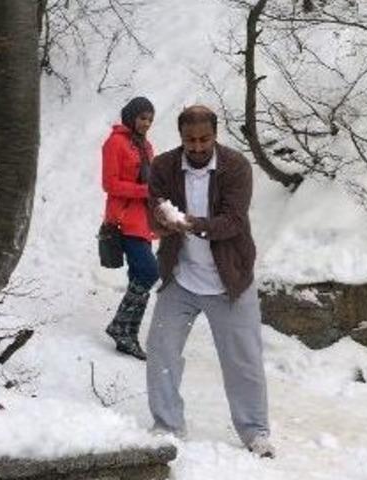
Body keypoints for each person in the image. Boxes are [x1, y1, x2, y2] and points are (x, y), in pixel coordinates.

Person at [145, 105, 273, 457]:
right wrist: (162, 220)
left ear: (215, 136)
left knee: (243, 360)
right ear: (181, 137)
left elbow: (233, 220)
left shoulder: (235, 166)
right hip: (181, 279)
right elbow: (152, 212)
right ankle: (167, 425)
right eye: (190, 140)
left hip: (230, 280)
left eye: (205, 140)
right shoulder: (164, 167)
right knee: (160, 350)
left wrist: (192, 224)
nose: (198, 147)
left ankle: (255, 431)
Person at [102, 96, 159, 360]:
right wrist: (144, 191)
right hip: (123, 220)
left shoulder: (147, 147)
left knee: (141, 276)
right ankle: (121, 327)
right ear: (131, 116)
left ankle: (127, 333)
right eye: (142, 118)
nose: (146, 123)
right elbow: (110, 184)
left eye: (149, 119)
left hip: (143, 222)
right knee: (149, 272)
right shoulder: (115, 143)